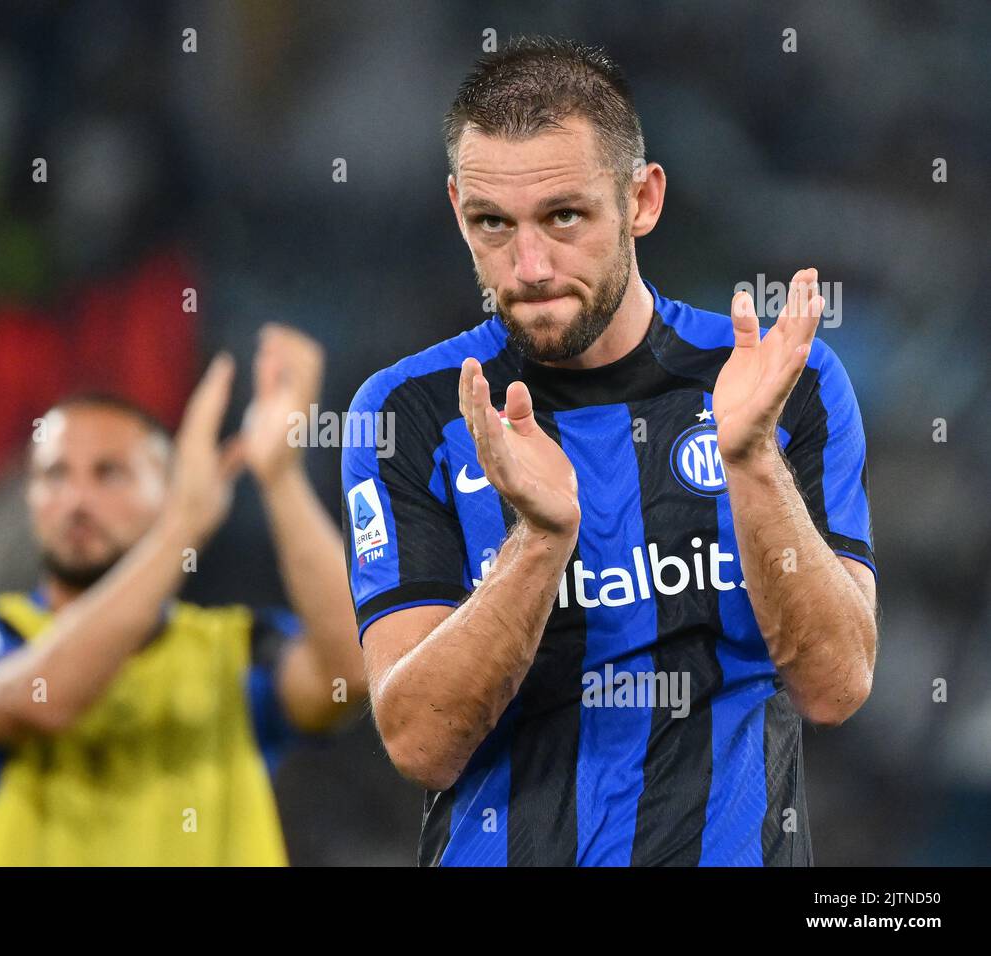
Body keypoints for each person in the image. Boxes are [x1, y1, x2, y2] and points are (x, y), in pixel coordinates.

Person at [342, 36, 877, 866]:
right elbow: (419, 742)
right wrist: (539, 544)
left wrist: (751, 464)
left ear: (642, 200)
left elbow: (836, 686)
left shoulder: (779, 382)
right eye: (492, 224)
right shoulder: (410, 412)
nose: (529, 266)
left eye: (564, 216)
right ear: (457, 210)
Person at [0, 324, 365, 865]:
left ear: (168, 490)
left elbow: (353, 675)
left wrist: (281, 476)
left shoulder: (233, 655)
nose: (77, 500)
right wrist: (182, 528)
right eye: (54, 475)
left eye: (110, 474)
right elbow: (44, 701)